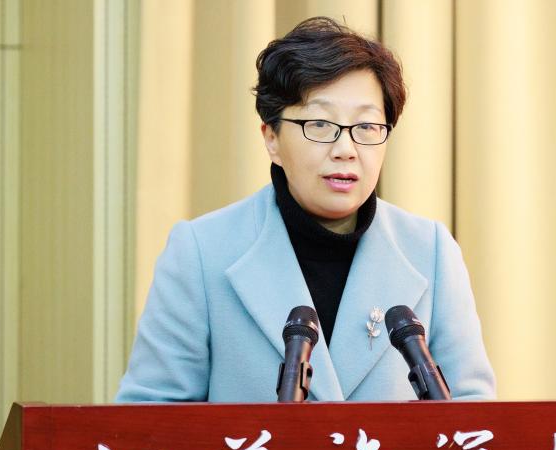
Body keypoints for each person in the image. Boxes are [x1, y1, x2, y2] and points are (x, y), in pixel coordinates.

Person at [116, 17, 494, 403]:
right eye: (320, 124)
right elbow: (150, 419)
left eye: (366, 126)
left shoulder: (430, 251)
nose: (346, 149)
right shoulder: (200, 252)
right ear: (272, 138)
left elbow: (474, 419)